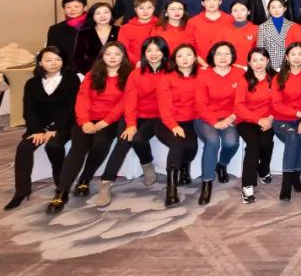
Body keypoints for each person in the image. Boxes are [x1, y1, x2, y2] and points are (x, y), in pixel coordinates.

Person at [47, 42, 130, 213]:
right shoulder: (92, 74)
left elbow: (125, 102)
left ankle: (85, 178)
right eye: (108, 54)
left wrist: (107, 121)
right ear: (102, 56)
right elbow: (82, 98)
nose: (112, 57)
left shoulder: (129, 76)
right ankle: (61, 192)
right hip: (86, 119)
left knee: (100, 144)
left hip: (109, 121)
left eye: (117, 54)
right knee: (78, 149)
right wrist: (84, 121)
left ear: (123, 57)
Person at [95, 36, 169, 206]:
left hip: (157, 116)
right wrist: (131, 124)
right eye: (149, 50)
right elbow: (130, 100)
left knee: (138, 139)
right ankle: (106, 183)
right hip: (134, 114)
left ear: (164, 52)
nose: (153, 54)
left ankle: (146, 162)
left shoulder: (170, 73)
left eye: (157, 50)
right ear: (144, 53)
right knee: (123, 141)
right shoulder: (136, 73)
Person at [4, 47, 79, 211]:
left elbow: (72, 108)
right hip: (39, 126)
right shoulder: (32, 83)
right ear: (40, 63)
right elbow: (28, 110)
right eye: (48, 60)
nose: (54, 63)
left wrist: (55, 127)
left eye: (58, 59)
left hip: (64, 125)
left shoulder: (71, 79)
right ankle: (22, 191)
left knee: (54, 145)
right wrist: (36, 130)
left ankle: (61, 186)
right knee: (24, 148)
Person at [194, 41, 244, 205]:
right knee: (213, 141)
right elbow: (200, 105)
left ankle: (222, 164)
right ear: (212, 56)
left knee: (231, 143)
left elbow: (242, 101)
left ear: (232, 56)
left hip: (230, 116)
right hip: (205, 117)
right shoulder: (204, 75)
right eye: (219, 54)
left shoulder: (239, 74)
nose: (223, 57)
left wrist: (231, 118)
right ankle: (207, 183)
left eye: (227, 53)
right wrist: (214, 122)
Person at [157, 44, 200, 206]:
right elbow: (164, 107)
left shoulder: (201, 75)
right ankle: (171, 188)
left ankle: (184, 168)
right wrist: (173, 125)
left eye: (188, 54)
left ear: (195, 58)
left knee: (191, 147)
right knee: (178, 143)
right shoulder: (167, 77)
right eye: (180, 56)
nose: (184, 59)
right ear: (175, 60)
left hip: (190, 121)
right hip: (167, 121)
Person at [271, 42, 301, 201]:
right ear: (287, 57)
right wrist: (298, 113)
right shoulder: (278, 77)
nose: (297, 57)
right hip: (282, 119)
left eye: (300, 54)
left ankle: (296, 176)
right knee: (293, 137)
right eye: (293, 54)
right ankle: (286, 183)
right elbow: (276, 104)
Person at [235, 47, 276, 204]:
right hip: (246, 120)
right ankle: (247, 185)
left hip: (268, 119)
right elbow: (238, 106)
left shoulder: (275, 78)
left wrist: (270, 118)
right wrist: (258, 120)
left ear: (267, 60)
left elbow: (279, 101)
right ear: (249, 63)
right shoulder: (244, 80)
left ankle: (263, 169)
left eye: (262, 59)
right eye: (254, 60)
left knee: (266, 143)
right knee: (253, 145)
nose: (258, 63)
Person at [72, 2, 120, 75]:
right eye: (98, 13)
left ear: (111, 14)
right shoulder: (84, 33)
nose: (102, 16)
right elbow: (78, 57)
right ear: (92, 16)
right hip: (92, 72)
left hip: (117, 72)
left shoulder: (120, 30)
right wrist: (88, 73)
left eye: (106, 12)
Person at [47, 0, 88, 64]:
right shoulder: (55, 29)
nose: (73, 10)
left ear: (84, 7)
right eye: (68, 7)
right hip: (67, 67)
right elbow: (52, 52)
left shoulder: (94, 25)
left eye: (76, 6)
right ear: (64, 9)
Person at [256, 0, 295, 70]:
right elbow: (260, 50)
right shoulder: (262, 27)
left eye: (280, 7)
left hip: (288, 64)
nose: (276, 10)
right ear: (269, 9)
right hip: (271, 65)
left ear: (285, 8)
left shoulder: (293, 26)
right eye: (273, 7)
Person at [223, 0, 258, 67]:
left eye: (242, 10)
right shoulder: (224, 30)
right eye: (235, 11)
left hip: (249, 68)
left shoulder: (256, 29)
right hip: (229, 68)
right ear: (231, 13)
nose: (239, 14)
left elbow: (260, 52)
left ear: (248, 12)